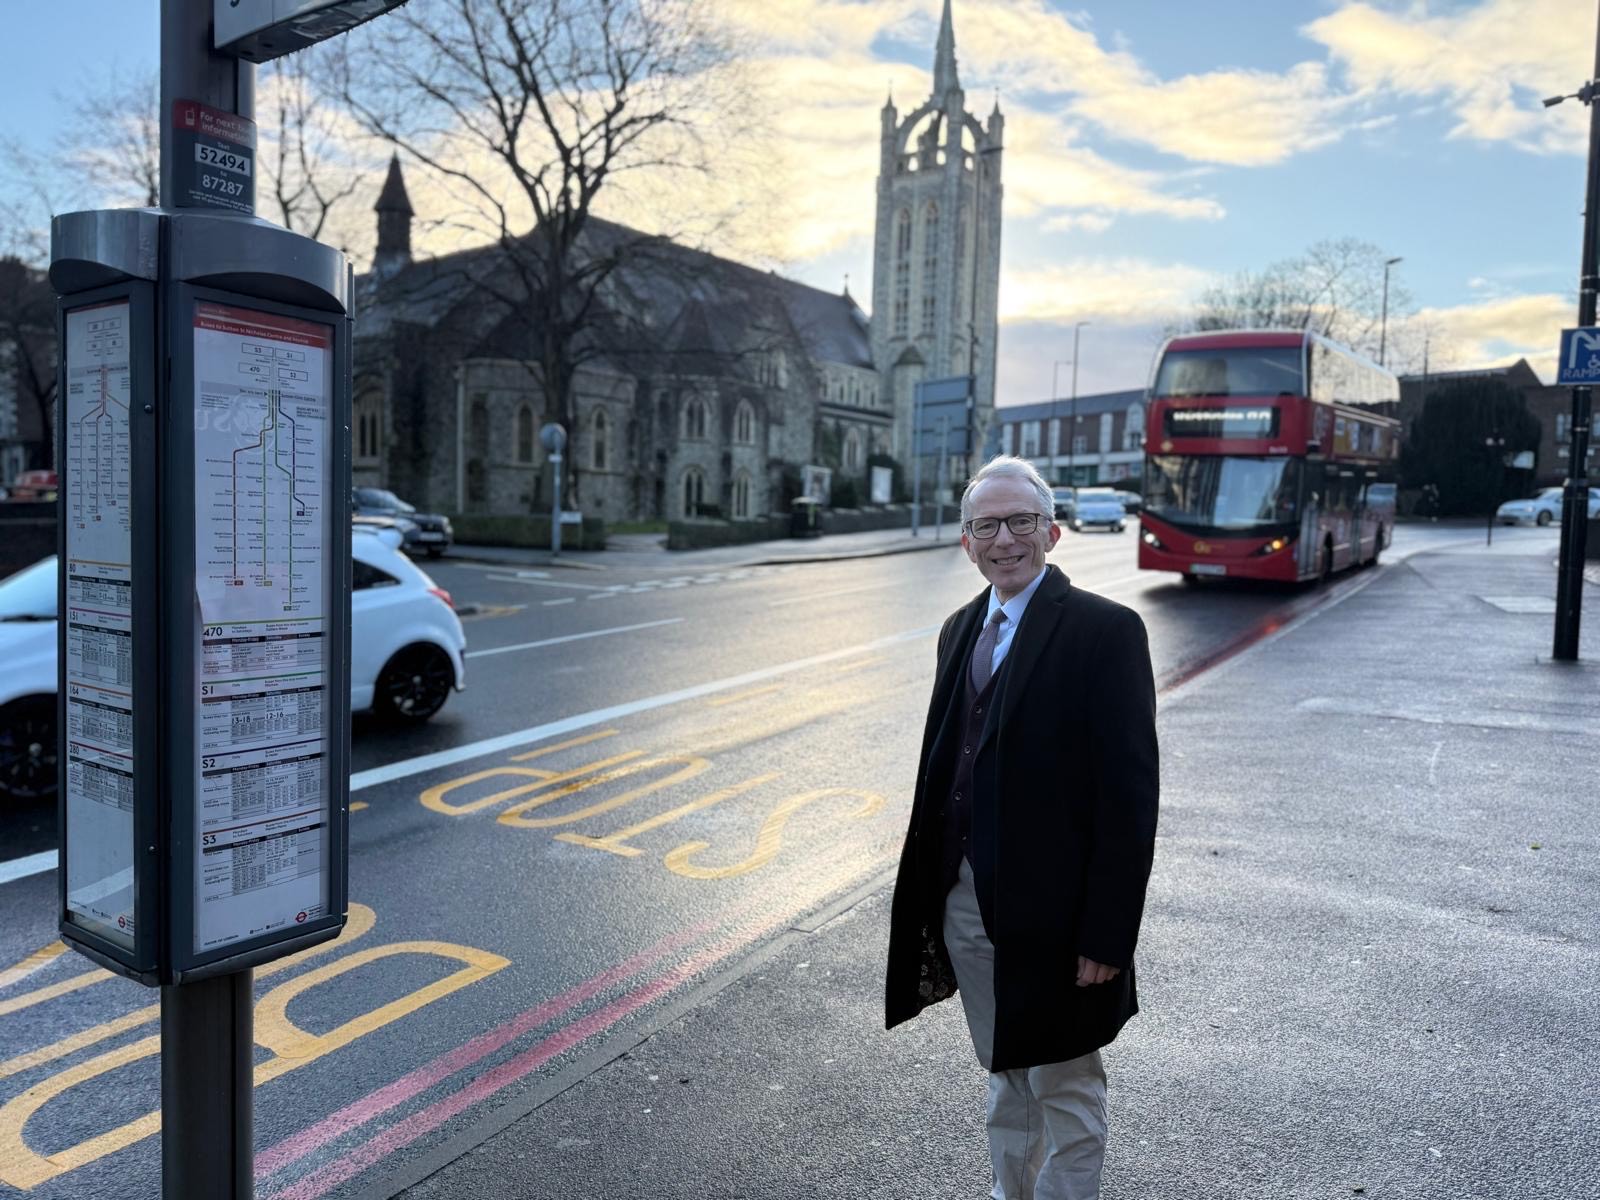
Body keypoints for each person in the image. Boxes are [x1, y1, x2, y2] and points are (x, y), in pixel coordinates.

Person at [885, 455, 1159, 1200]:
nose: (1005, 539)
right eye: (986, 526)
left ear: (1052, 531)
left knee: (1066, 1086)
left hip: (1062, 920)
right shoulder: (959, 628)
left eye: (1020, 522)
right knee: (1007, 1069)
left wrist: (1107, 935)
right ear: (966, 542)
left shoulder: (1107, 631)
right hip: (969, 907)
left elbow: (1129, 801)